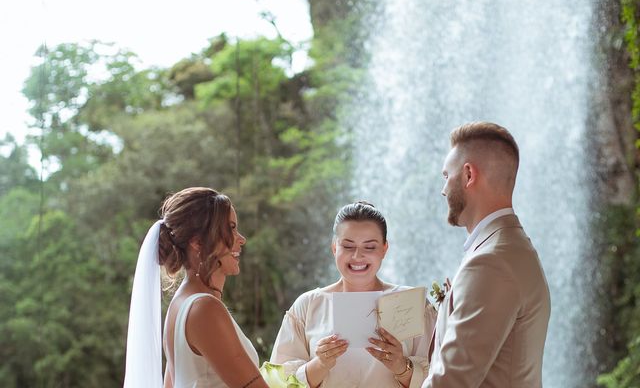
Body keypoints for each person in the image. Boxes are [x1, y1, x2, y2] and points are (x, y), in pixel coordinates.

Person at [423, 122, 551, 387]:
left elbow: (451, 381)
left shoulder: (490, 262)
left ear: (468, 175)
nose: (443, 189)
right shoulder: (513, 247)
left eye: (446, 176)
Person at [271, 201, 436, 388]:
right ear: (334, 248)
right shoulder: (308, 305)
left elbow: (444, 377)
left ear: (384, 249)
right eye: (348, 246)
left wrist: (402, 367)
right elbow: (277, 381)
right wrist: (320, 364)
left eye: (370, 247)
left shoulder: (414, 304)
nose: (357, 256)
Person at [123, 187, 269, 388]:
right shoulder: (204, 309)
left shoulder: (181, 305)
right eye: (231, 229)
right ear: (198, 243)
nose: (241, 239)